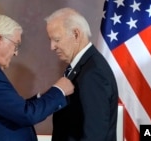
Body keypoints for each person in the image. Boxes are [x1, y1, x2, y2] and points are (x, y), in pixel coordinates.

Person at [0, 13, 74, 141]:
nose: (16, 53)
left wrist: (42, 97)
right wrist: (59, 90)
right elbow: (26, 115)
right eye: (16, 45)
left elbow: (9, 109)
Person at [45, 8, 119, 141]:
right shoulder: (81, 66)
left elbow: (93, 135)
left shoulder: (92, 73)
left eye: (56, 39)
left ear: (76, 34)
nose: (52, 47)